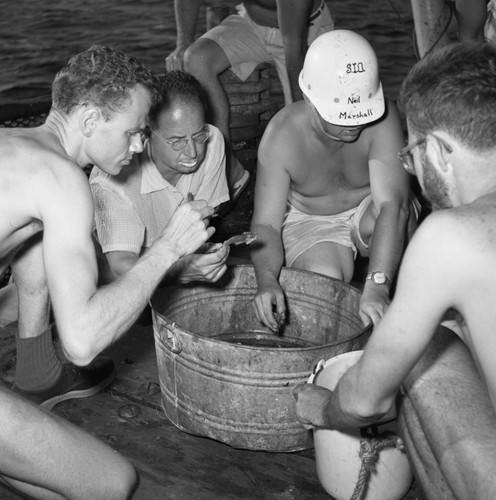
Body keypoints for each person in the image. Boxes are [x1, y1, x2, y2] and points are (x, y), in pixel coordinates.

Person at [0, 45, 214, 498]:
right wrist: (168, 247)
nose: (140, 146)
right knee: (114, 483)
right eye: (135, 132)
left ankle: (37, 375)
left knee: (39, 240)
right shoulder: (63, 181)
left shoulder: (14, 146)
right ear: (91, 121)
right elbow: (81, 342)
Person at [292, 41, 496, 432]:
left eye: (410, 153)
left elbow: (365, 402)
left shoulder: (448, 238)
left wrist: (324, 409)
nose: (411, 166)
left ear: (435, 151)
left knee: (419, 361)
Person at [250, 30, 419, 330]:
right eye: (341, 116)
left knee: (404, 220)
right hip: (311, 220)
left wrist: (378, 286)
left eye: (361, 114)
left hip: (369, 210)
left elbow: (393, 205)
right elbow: (266, 224)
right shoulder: (281, 135)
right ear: (309, 98)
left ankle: (408, 293)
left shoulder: (384, 117)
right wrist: (265, 280)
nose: (354, 124)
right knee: (324, 281)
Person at [165, 0, 334, 205]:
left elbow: (294, 45)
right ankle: (226, 164)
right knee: (197, 58)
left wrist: (303, 117)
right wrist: (183, 44)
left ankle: (315, 191)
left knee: (310, 124)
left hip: (305, 32)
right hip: (253, 25)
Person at [90, 70, 230, 284]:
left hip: (169, 263)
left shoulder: (212, 142)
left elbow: (199, 224)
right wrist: (179, 271)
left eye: (198, 135)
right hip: (114, 281)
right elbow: (121, 267)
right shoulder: (111, 181)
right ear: (146, 133)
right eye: (177, 141)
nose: (193, 152)